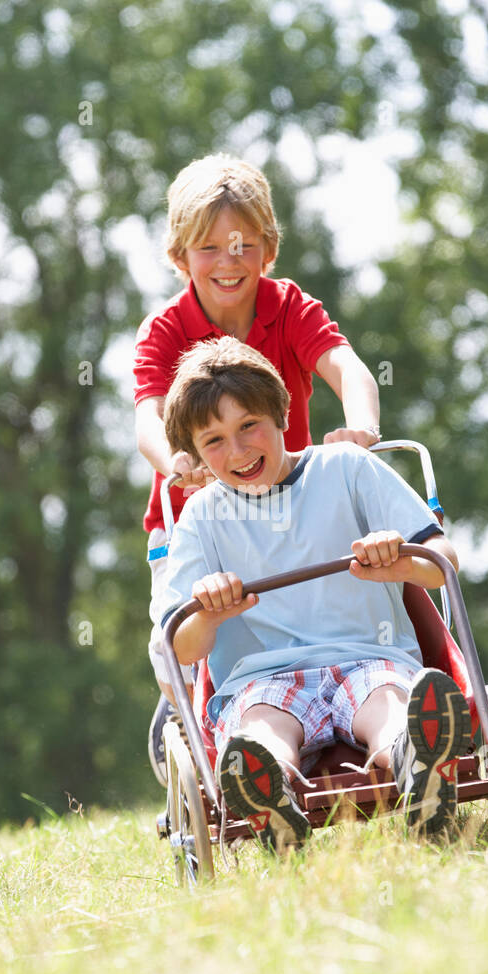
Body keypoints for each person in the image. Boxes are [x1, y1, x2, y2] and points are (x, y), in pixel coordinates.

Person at [158, 337, 471, 850]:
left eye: (248, 426)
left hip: (369, 655)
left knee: (389, 704)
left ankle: (419, 765)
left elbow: (443, 564)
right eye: (213, 442)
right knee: (261, 726)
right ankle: (267, 793)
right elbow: (184, 648)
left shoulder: (345, 467)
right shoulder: (202, 515)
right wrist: (208, 611)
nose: (237, 452)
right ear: (194, 454)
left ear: (282, 413)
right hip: (263, 678)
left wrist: (398, 561)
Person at [134, 153, 382, 783]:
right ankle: (191, 714)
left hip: (291, 504)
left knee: (365, 573)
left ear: (268, 248)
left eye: (243, 244)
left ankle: (379, 702)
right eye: (208, 247)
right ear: (181, 255)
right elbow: (147, 417)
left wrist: (362, 429)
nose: (228, 260)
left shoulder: (287, 305)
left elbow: (346, 367)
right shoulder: (166, 329)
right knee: (189, 621)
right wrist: (178, 463)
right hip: (203, 513)